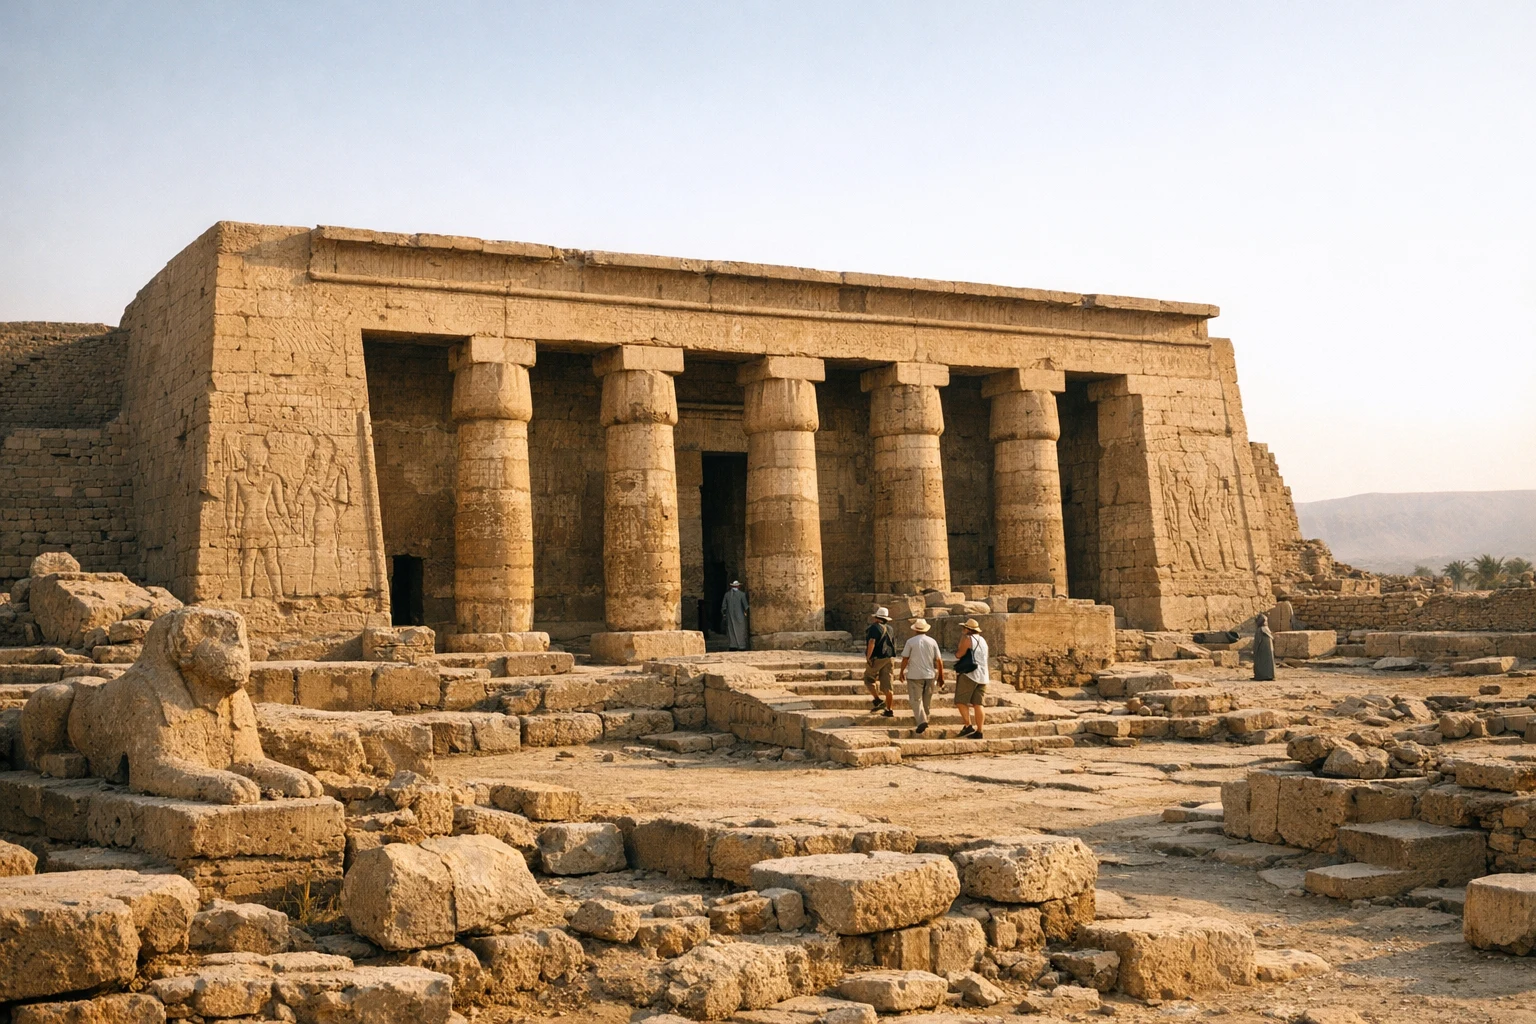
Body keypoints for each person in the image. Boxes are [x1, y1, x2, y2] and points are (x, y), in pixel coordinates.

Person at [899, 618, 944, 735]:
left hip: (914, 675)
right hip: (930, 675)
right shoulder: (932, 641)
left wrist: (901, 672)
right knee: (926, 700)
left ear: (915, 630)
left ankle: (922, 721)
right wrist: (941, 676)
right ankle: (925, 719)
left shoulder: (910, 642)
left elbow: (905, 658)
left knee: (915, 700)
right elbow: (939, 660)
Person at [954, 618, 990, 739]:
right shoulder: (983, 640)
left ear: (967, 630)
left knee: (960, 700)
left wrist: (962, 638)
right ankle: (980, 731)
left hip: (970, 674)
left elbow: (959, 654)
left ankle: (968, 725)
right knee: (978, 704)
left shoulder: (969, 639)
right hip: (983, 676)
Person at [863, 607, 897, 717]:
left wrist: (868, 657)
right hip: (889, 657)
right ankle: (889, 709)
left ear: (877, 618)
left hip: (877, 658)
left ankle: (877, 700)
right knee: (888, 684)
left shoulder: (874, 628)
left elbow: (872, 642)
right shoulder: (890, 629)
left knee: (868, 679)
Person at [721, 580, 749, 651]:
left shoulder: (727, 595)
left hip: (730, 616)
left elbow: (723, 606)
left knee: (731, 630)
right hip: (740, 616)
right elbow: (745, 606)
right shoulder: (742, 594)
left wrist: (724, 614)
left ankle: (733, 645)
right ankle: (740, 645)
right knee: (740, 630)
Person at [1252, 612, 1276, 681]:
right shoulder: (1267, 629)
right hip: (1268, 652)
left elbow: (1257, 643)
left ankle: (1261, 676)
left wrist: (1255, 652)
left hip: (1261, 651)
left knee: (1261, 663)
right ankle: (1269, 675)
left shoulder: (1260, 630)